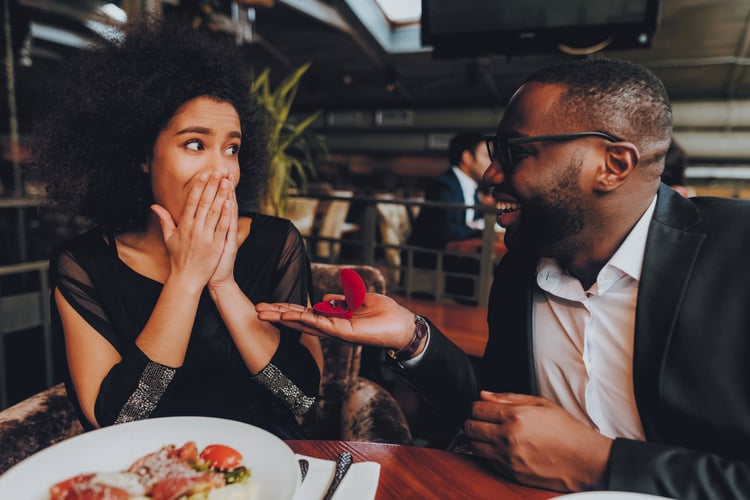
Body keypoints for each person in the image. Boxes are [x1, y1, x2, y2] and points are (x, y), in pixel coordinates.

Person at [257, 58, 750, 498]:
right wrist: (413, 337)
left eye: (515, 152)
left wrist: (601, 463)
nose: (491, 175)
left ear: (612, 165)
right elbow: (496, 409)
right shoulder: (523, 265)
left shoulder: (736, 255)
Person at [29, 17, 323, 440]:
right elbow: (117, 421)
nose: (221, 169)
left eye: (232, 148)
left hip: (267, 465)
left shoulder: (277, 243)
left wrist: (223, 285)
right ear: (142, 156)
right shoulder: (86, 263)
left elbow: (301, 400)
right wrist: (186, 280)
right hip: (153, 473)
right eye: (195, 144)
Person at [406, 131, 493, 298]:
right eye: (485, 156)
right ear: (467, 158)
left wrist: (479, 226)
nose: (490, 163)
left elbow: (474, 219)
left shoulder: (471, 187)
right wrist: (479, 229)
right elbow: (443, 230)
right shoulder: (443, 186)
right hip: (433, 258)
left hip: (456, 253)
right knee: (487, 268)